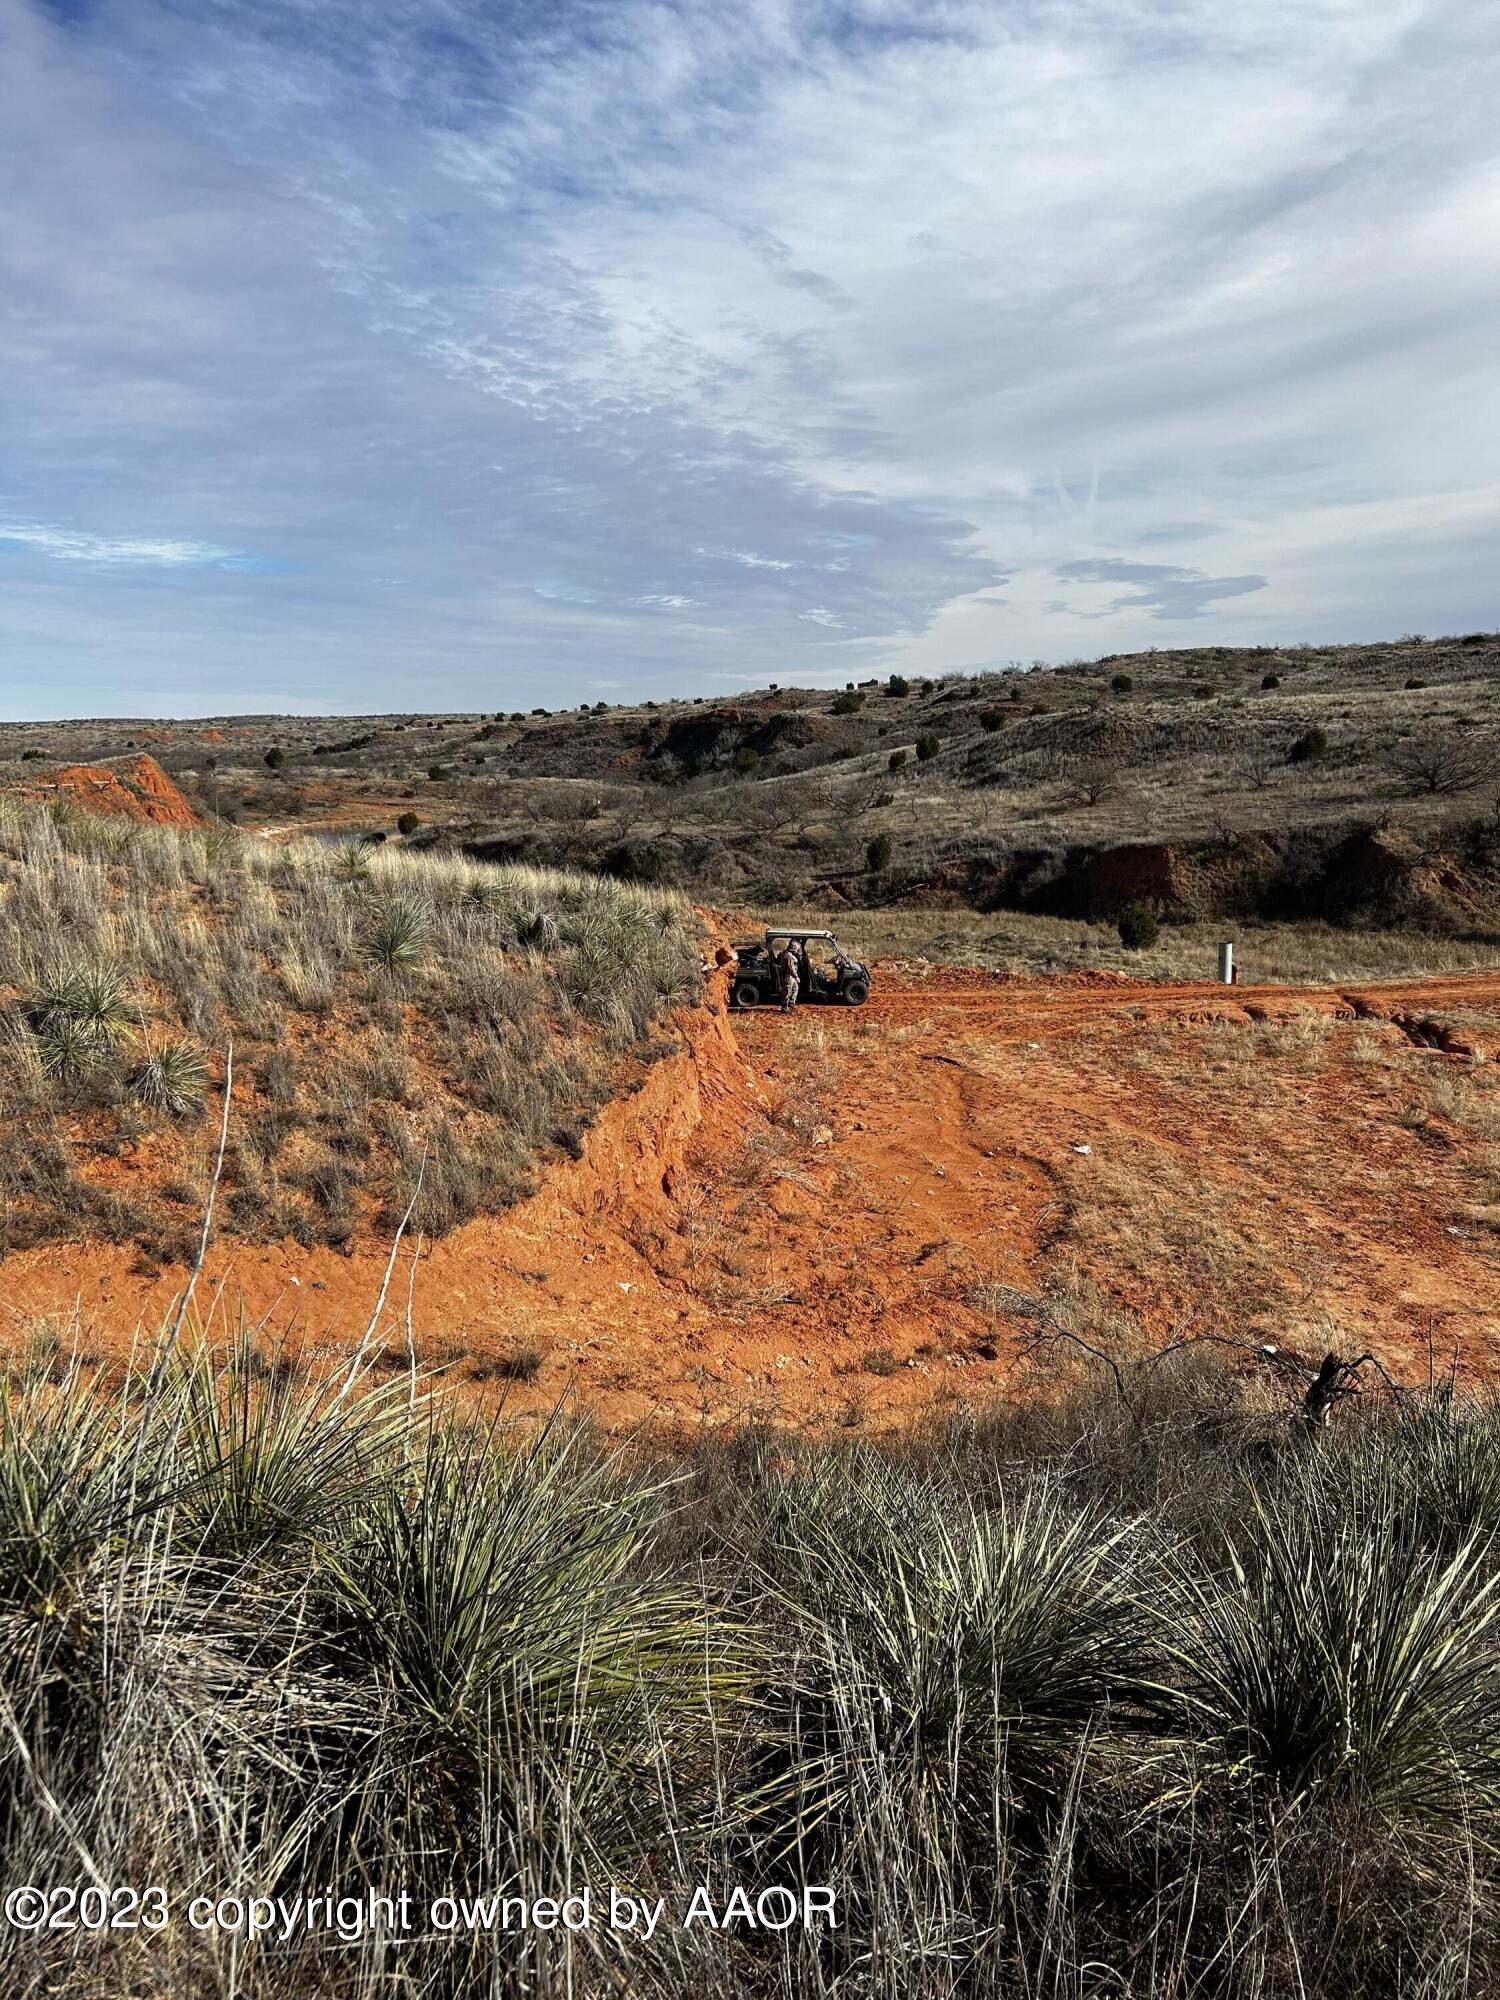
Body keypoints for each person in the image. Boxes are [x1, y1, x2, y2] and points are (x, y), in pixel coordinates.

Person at [774, 940, 800, 1012]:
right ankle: (784, 1008)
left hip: (790, 975)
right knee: (787, 992)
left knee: (795, 988)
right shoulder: (788, 955)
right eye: (797, 949)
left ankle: (791, 1003)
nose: (797, 950)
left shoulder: (786, 953)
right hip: (788, 976)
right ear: (793, 948)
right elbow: (790, 967)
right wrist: (796, 976)